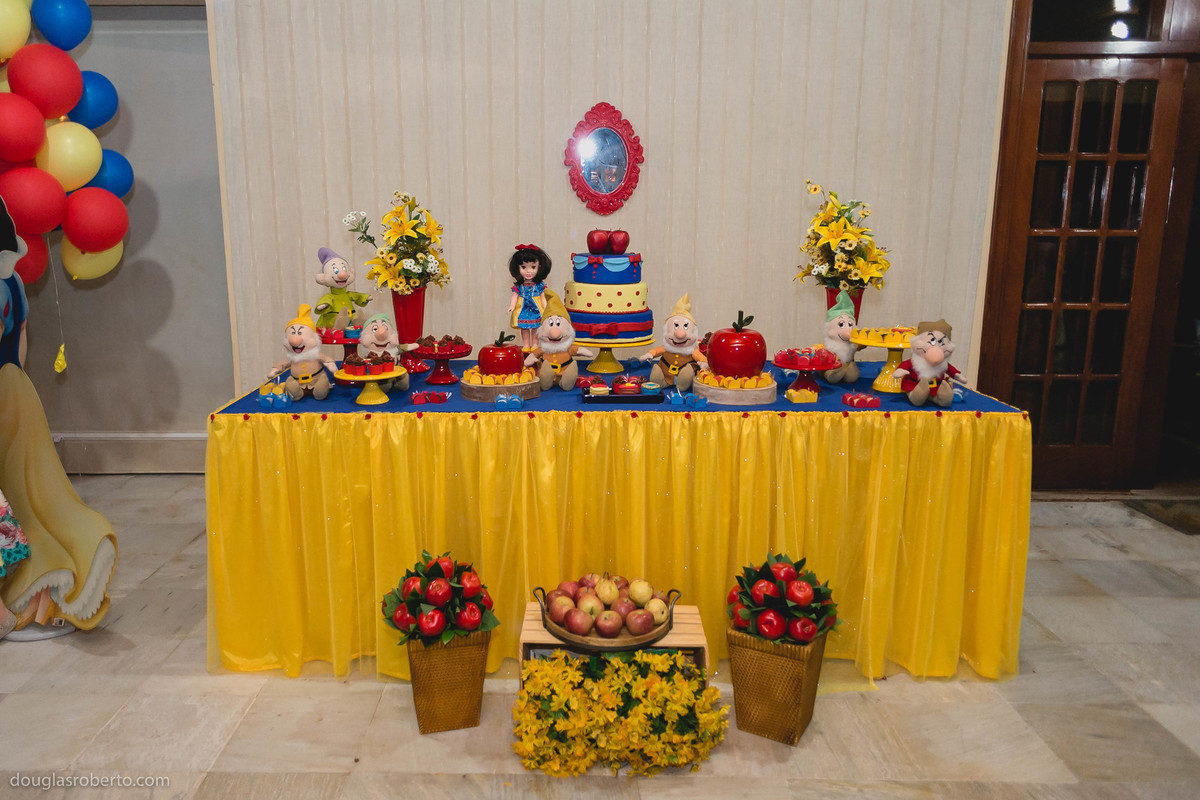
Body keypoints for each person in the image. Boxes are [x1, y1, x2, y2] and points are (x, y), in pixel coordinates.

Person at [507, 244, 552, 350]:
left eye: (533, 267)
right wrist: (512, 306)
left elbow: (543, 297)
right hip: (523, 308)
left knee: (536, 327)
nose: (528, 271)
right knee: (525, 328)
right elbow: (514, 296)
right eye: (523, 267)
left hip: (536, 308)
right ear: (517, 268)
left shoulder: (539, 285)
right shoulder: (519, 286)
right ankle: (526, 344)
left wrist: (546, 308)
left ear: (539, 267)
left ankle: (535, 344)